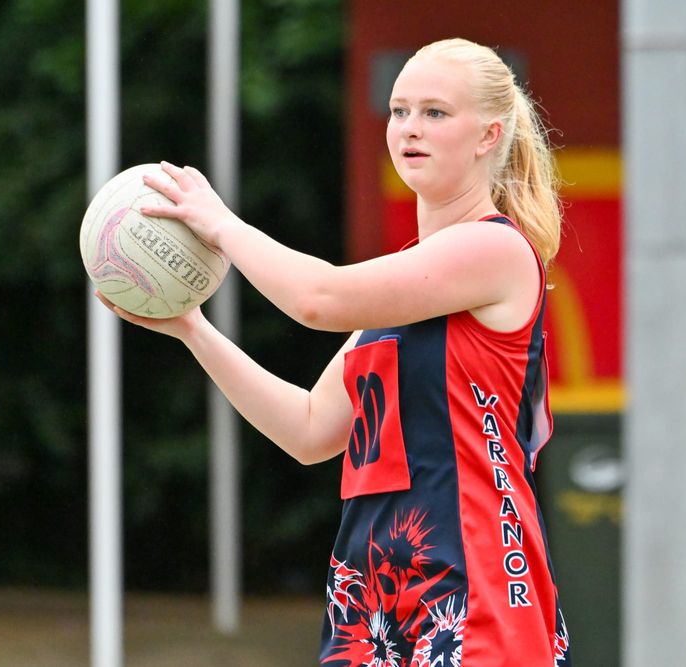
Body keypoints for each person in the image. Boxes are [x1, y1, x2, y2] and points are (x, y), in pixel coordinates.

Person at [98, 37, 571, 666]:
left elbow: (317, 299)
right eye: (400, 111)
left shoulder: (496, 250)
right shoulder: (404, 286)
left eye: (435, 112)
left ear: (488, 136)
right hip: (377, 593)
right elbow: (310, 429)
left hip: (473, 584)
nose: (409, 128)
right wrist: (193, 328)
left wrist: (221, 224)